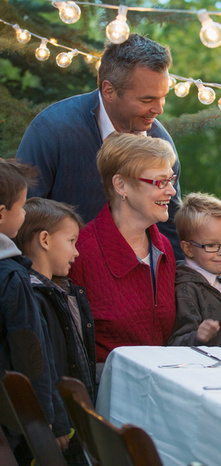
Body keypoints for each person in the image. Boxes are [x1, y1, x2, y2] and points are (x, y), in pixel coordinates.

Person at [16, 34, 183, 258]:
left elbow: (171, 224)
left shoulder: (161, 143)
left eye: (162, 97)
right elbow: (21, 215)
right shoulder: (53, 130)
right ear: (109, 91)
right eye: (147, 100)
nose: (159, 109)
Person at [68, 132, 177, 368]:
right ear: (121, 185)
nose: (172, 191)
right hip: (103, 394)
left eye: (171, 179)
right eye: (160, 182)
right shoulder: (80, 252)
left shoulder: (164, 248)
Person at [14, 197, 95, 464]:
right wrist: (57, 421)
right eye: (71, 241)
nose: (77, 252)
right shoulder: (33, 299)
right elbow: (41, 367)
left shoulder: (62, 293)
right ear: (45, 240)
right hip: (58, 427)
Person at [0, 159, 70, 458]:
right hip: (12, 420)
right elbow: (30, 354)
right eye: (22, 205)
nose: (25, 212)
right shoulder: (12, 276)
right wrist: (48, 421)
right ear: (2, 214)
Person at [168, 193, 221, 347]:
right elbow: (175, 343)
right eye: (211, 245)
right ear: (188, 249)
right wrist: (198, 337)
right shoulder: (185, 289)